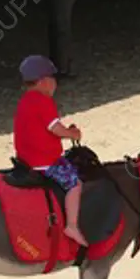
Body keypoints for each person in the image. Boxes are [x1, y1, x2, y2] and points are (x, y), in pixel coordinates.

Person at [13, 55, 88, 247]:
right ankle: (71, 225)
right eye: (54, 79)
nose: (55, 84)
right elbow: (56, 129)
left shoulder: (24, 102)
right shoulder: (43, 102)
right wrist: (73, 134)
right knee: (74, 183)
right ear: (44, 81)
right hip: (45, 161)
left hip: (26, 159)